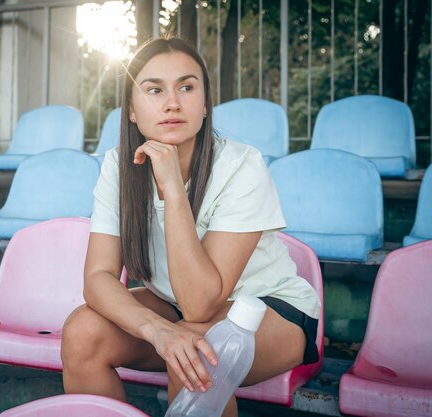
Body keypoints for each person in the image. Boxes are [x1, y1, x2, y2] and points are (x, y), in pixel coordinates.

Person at [61, 37, 321, 417]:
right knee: (83, 331)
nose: (172, 102)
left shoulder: (241, 166)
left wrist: (172, 191)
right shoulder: (119, 166)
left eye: (186, 87)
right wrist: (156, 330)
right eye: (154, 90)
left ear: (204, 104)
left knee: (195, 348)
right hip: (176, 307)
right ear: (131, 110)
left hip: (268, 311)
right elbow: (98, 277)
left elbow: (202, 302)